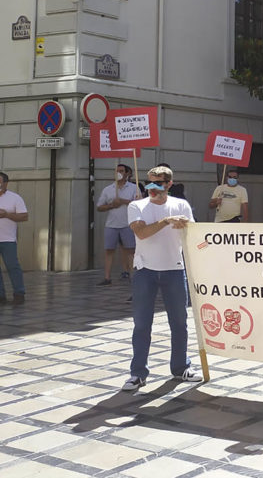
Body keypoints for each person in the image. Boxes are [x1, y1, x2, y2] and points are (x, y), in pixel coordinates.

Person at [122, 166, 202, 390]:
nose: (152, 189)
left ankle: (181, 367)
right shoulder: (136, 205)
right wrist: (167, 221)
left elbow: (193, 233)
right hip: (145, 270)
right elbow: (141, 232)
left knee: (179, 323)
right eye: (150, 183)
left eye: (158, 184)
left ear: (168, 184)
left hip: (175, 270)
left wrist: (185, 225)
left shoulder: (181, 205)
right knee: (142, 324)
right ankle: (137, 373)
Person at [96, 164, 139, 286]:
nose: (118, 173)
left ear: (127, 173)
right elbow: (99, 207)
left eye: (121, 171)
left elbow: (139, 204)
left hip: (128, 224)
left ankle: (132, 276)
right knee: (109, 250)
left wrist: (124, 201)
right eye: (116, 171)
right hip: (111, 225)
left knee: (130, 250)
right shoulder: (108, 189)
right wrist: (111, 205)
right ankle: (107, 277)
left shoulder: (133, 188)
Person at [0, 172, 29, 306]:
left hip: (8, 240)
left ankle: (19, 293)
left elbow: (24, 217)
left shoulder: (15, 198)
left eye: (0, 182)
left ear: (6, 183)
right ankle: (1, 296)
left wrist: (7, 215)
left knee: (12, 266)